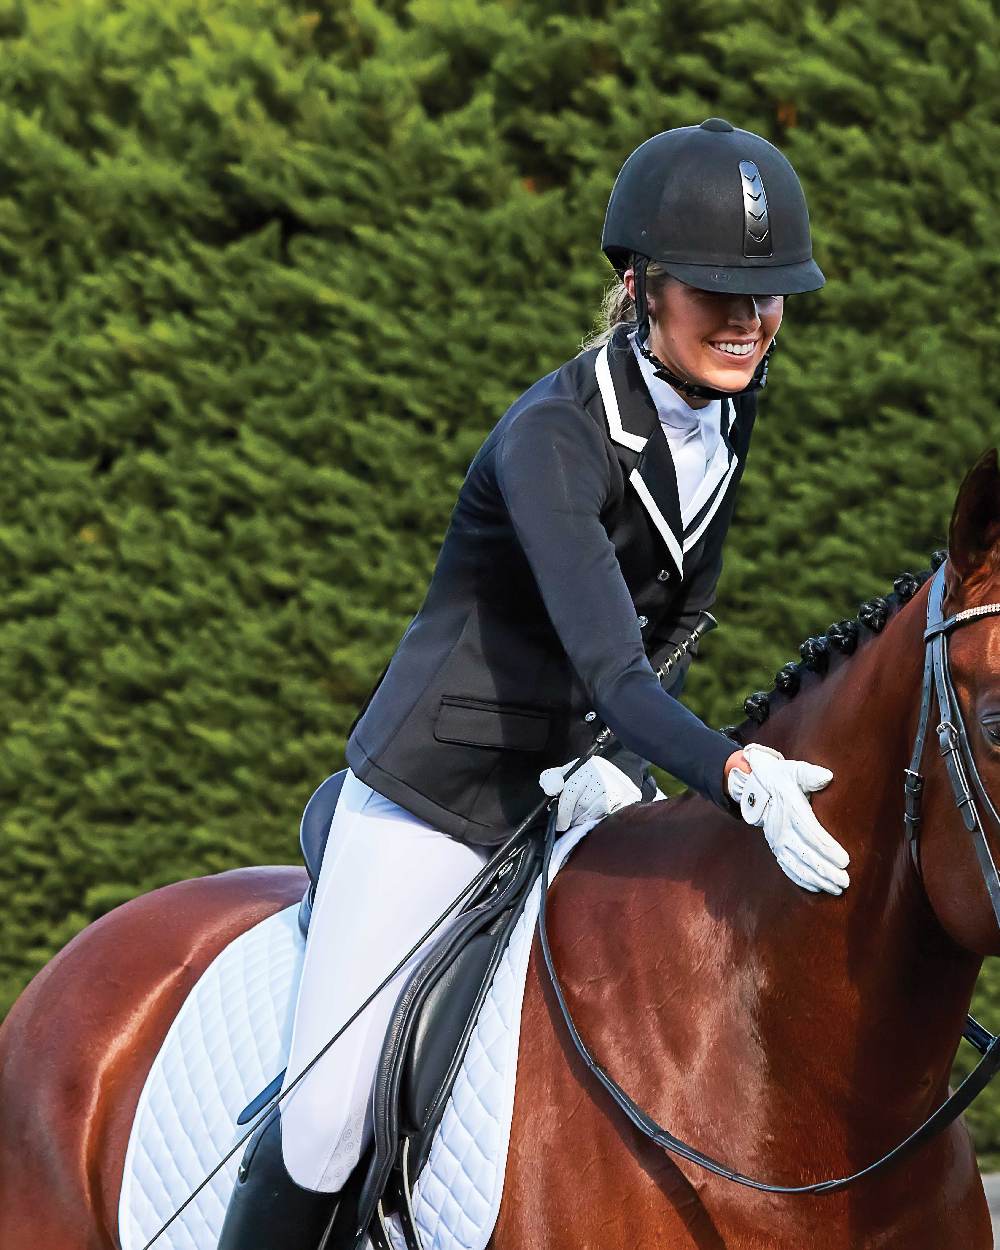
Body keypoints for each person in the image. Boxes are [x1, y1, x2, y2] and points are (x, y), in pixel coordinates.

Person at [216, 117, 851, 1249]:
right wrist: (731, 771)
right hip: (437, 794)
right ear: (638, 283)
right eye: (716, 290)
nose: (750, 320)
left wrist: (614, 770)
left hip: (573, 782)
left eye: (769, 294)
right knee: (322, 1121)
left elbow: (675, 621)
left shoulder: (727, 409)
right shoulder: (550, 439)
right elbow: (609, 660)